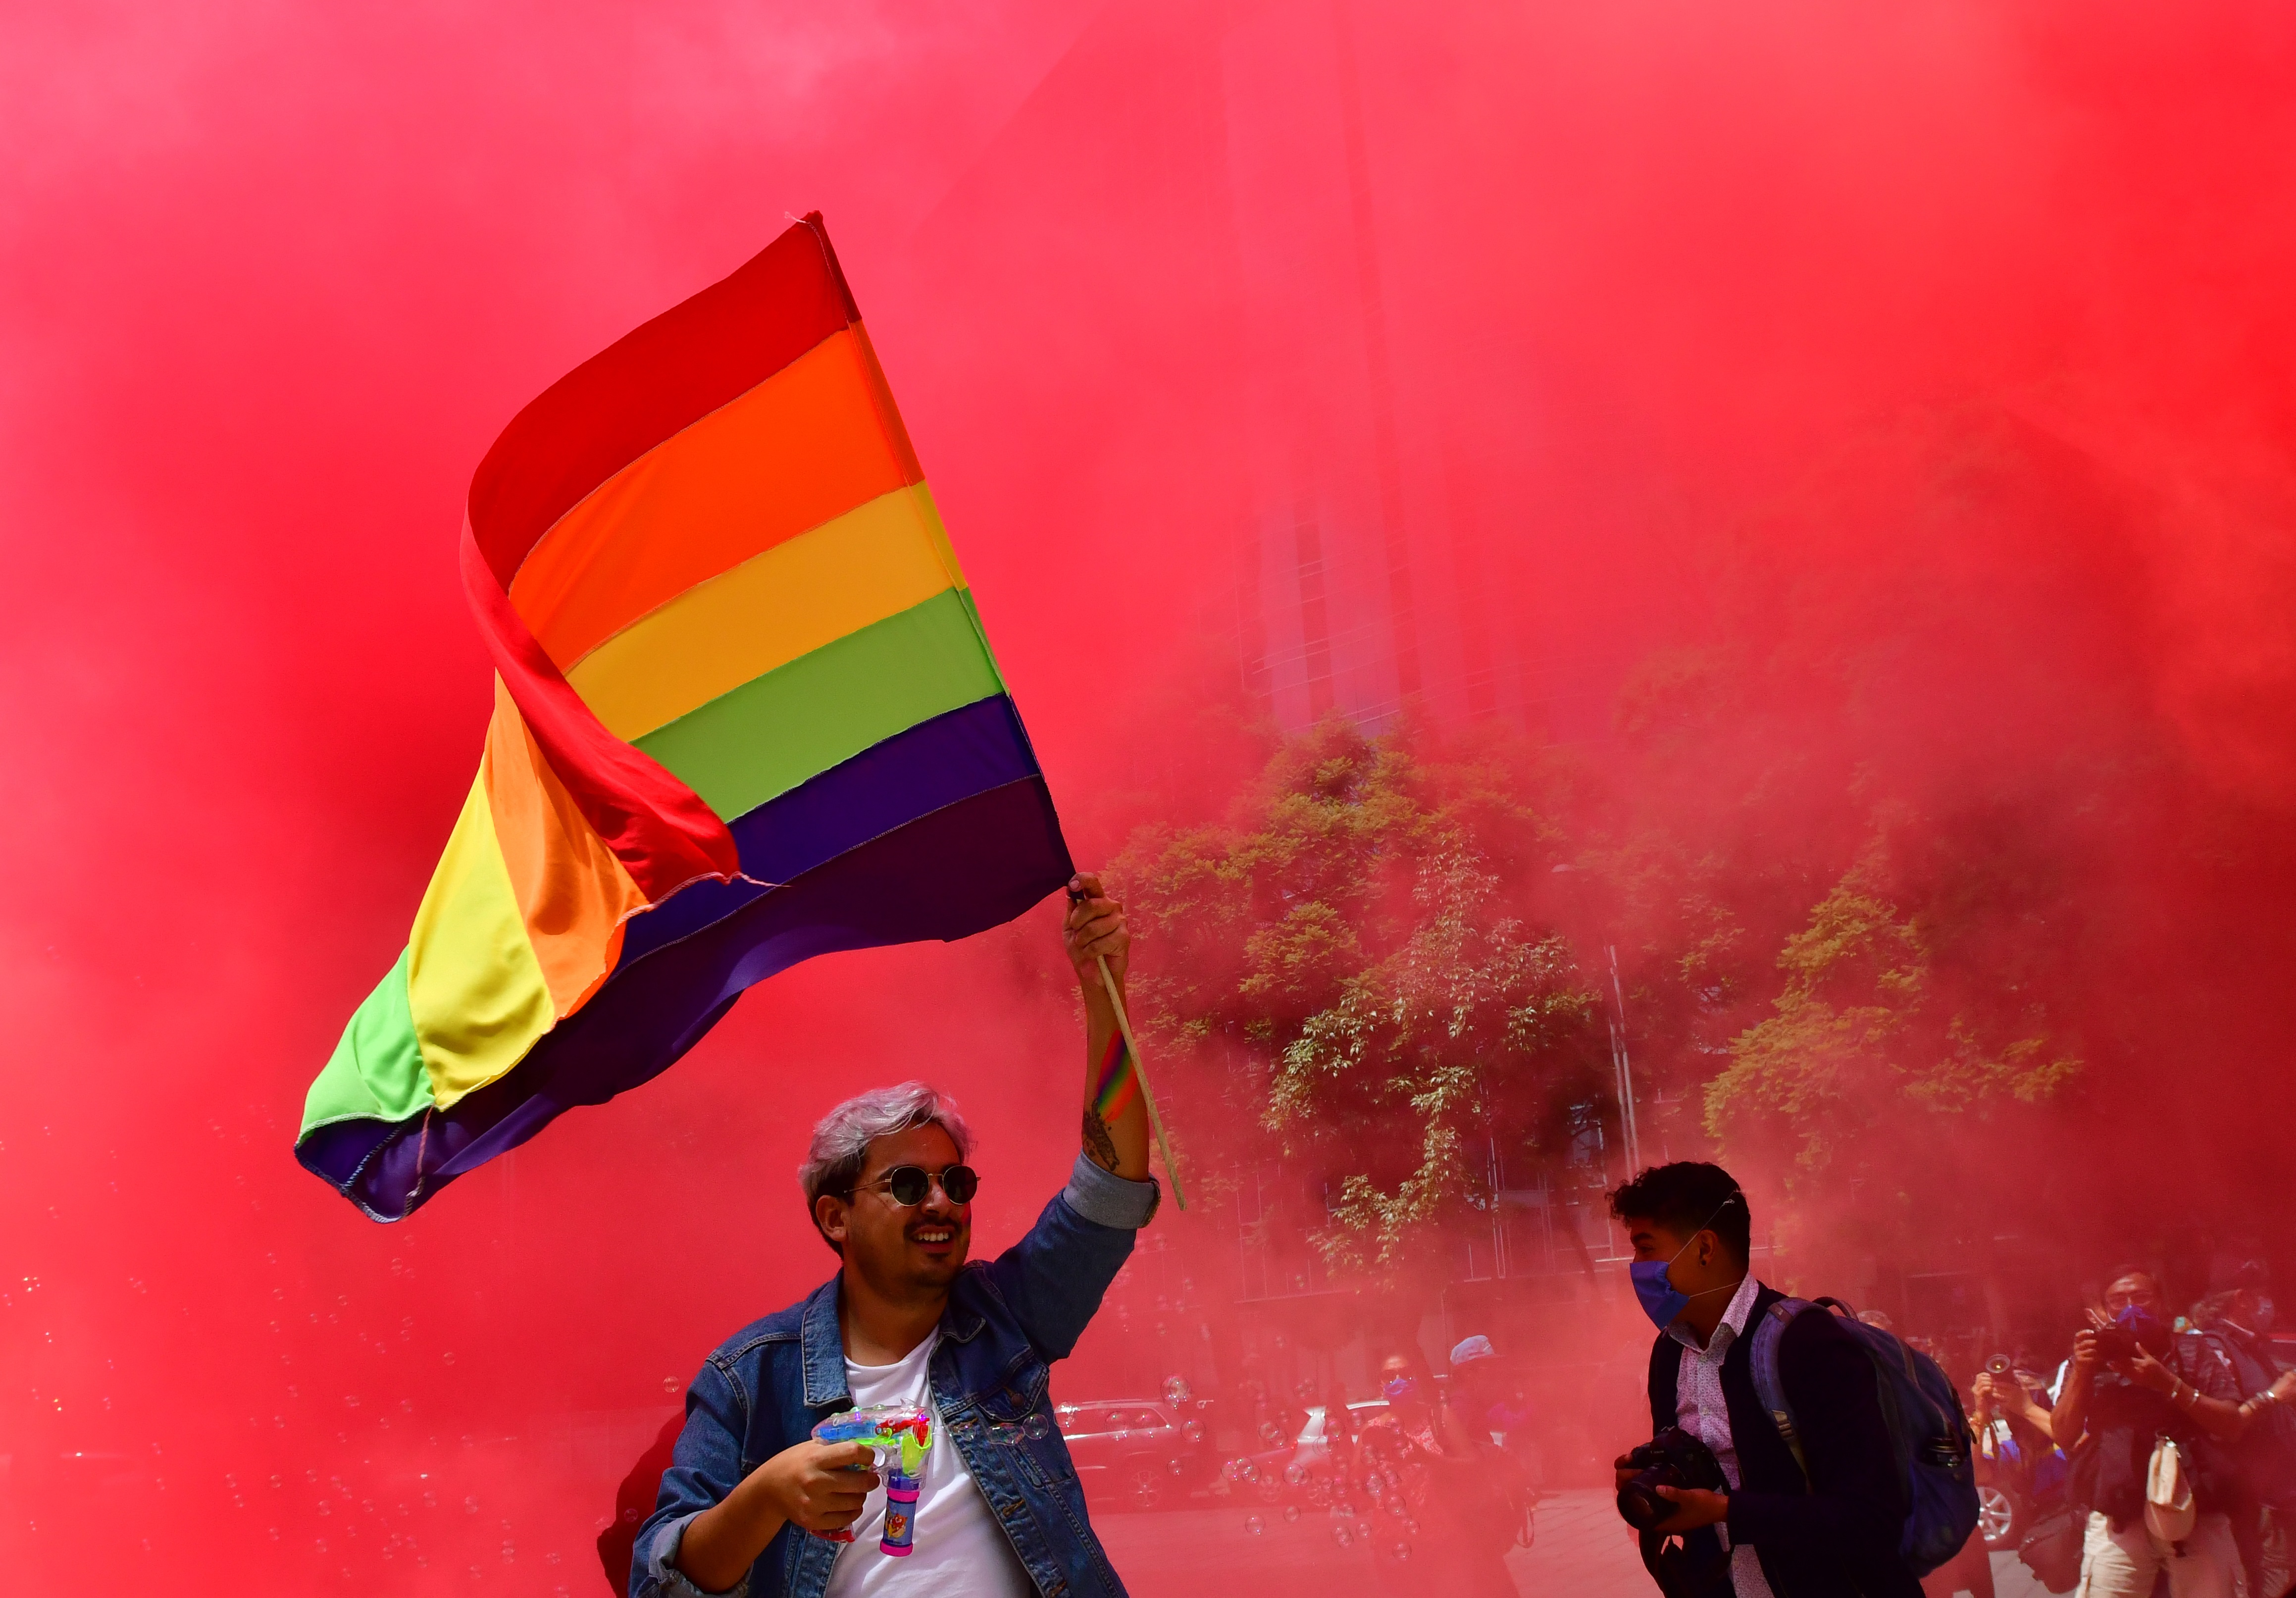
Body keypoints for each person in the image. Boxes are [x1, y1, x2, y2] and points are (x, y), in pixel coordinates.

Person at [629, 874, 1159, 1598]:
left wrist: (1103, 990)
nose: (940, 1200)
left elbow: (1108, 1195)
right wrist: (770, 1490)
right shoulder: (750, 1378)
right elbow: (659, 1583)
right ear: (834, 1216)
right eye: (908, 1185)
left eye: (956, 1181)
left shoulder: (1006, 1319)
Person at [1609, 1161, 1921, 1598]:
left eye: (1645, 1247)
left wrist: (1725, 1511)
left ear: (1704, 1248)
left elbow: (1872, 1516)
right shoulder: (1668, 1352)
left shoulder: (1805, 1341)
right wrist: (1657, 1485)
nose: (1635, 1266)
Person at [1984, 1266, 2267, 1598]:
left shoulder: (2193, 1350)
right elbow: (2064, 1432)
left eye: (2141, 1296)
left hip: (2196, 1512)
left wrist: (2166, 1383)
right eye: (2118, 1300)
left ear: (2161, 1305)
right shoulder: (2089, 1360)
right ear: (2105, 1310)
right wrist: (2084, 1368)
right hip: (2118, 1518)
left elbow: (2231, 1424)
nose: (2130, 1307)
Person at [1357, 1347, 1518, 1598]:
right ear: (1380, 1385)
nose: (1397, 1381)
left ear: (1416, 1379)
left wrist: (1426, 1458)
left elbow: (1472, 1466)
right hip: (1391, 1544)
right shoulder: (1372, 1430)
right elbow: (1358, 1488)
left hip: (1442, 1541)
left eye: (1405, 1373)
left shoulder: (1439, 1417)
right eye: (1390, 1376)